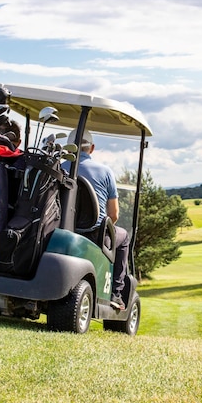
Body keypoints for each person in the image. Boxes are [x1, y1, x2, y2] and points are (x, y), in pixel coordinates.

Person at [67, 129, 129, 310]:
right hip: (95, 233)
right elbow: (114, 214)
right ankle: (116, 294)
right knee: (124, 237)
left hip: (65, 229)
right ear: (92, 148)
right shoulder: (105, 172)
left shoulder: (60, 167)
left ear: (69, 149)